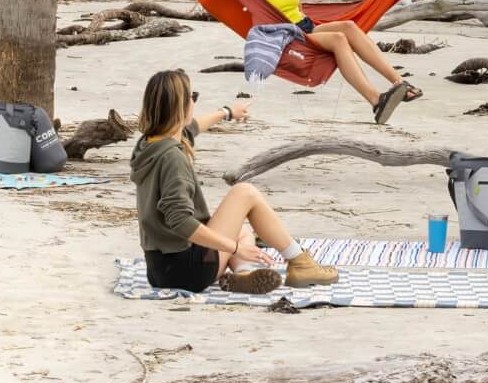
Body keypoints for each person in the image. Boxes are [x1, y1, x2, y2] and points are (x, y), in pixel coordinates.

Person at [130, 68, 340, 294]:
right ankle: (300, 263)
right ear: (179, 107)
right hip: (188, 271)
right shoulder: (173, 157)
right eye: (193, 97)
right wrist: (235, 248)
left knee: (243, 231)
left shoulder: (148, 144)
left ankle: (243, 275)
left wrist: (227, 112)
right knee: (245, 193)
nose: (195, 102)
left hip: (160, 270)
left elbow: (193, 127)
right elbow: (179, 220)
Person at [239, 0, 419, 124]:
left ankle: (399, 83)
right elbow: (237, 9)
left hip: (305, 27)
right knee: (338, 39)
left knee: (349, 26)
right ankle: (376, 100)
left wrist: (310, 28)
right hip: (287, 36)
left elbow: (298, 9)